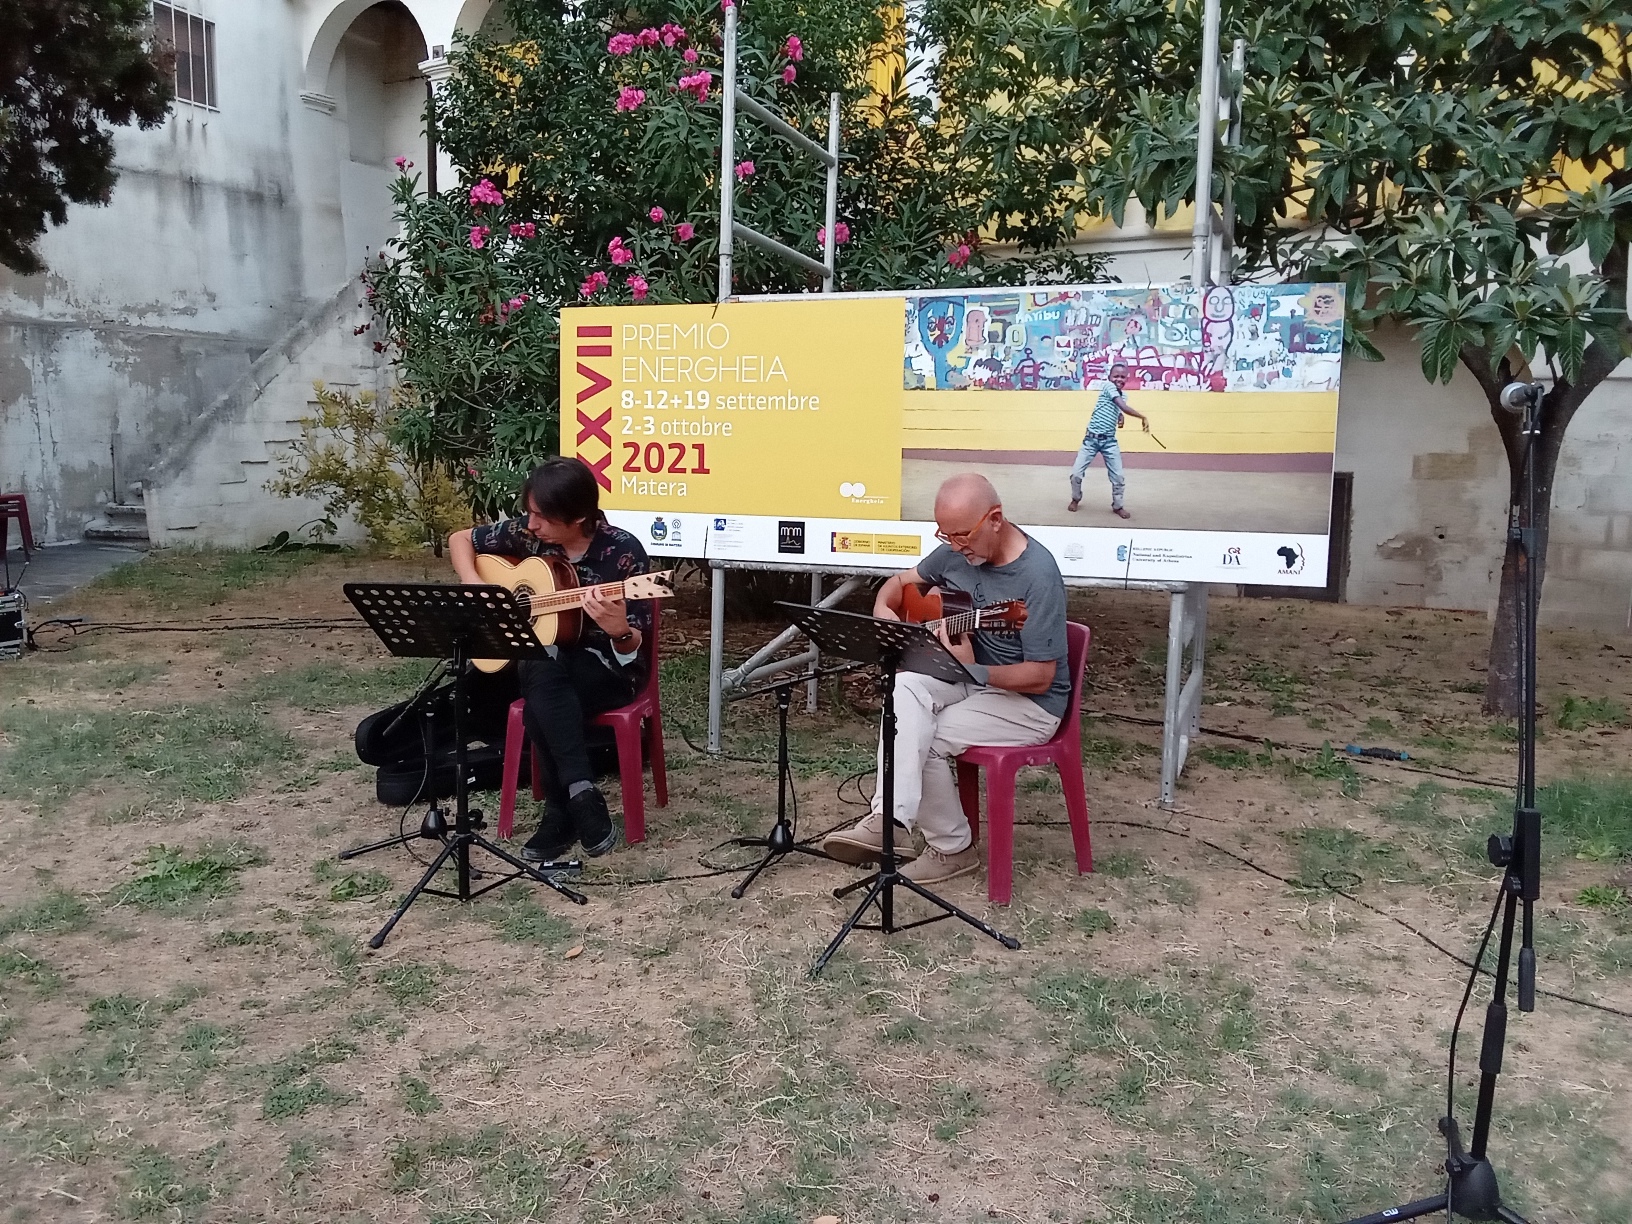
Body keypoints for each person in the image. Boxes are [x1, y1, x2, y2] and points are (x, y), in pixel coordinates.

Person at [822, 474, 1071, 884]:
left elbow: (1041, 677)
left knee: (928, 737)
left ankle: (952, 849)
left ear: (995, 518)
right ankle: (889, 821)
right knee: (903, 688)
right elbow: (900, 584)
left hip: (1028, 705)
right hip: (969, 680)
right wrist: (884, 610)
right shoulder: (957, 552)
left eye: (962, 535)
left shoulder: (1037, 576)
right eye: (946, 535)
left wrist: (971, 669)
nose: (955, 546)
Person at [448, 457, 651, 861]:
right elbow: (460, 539)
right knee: (542, 665)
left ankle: (560, 810)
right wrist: (477, 588)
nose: (531, 524)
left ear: (577, 517)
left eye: (541, 516)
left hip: (606, 666)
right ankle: (580, 794)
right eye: (529, 513)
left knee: (541, 681)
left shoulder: (624, 553)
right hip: (546, 664)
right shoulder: (528, 536)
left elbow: (634, 646)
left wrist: (618, 629)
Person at [1068, 362, 1150, 519]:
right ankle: (1075, 498)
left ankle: (1118, 506)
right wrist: (1142, 417)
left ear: (1127, 378)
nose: (1119, 379)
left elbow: (1119, 409)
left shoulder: (1123, 395)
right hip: (1090, 441)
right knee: (1076, 474)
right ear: (1109, 377)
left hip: (1109, 442)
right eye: (1116, 376)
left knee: (1118, 477)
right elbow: (1122, 405)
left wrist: (1120, 418)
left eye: (1122, 377)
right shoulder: (1108, 386)